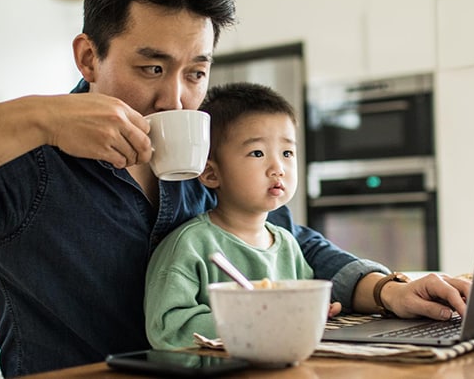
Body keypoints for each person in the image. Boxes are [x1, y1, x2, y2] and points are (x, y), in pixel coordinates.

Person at [0, 0, 471, 376]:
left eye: (196, 72)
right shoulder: (25, 164)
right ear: (88, 57)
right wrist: (37, 116)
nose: (174, 97)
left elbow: (287, 241)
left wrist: (385, 289)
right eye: (151, 67)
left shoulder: (207, 154)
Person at [145, 82, 342, 349]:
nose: (278, 168)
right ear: (212, 173)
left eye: (287, 153)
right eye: (257, 153)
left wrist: (313, 312)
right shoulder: (190, 245)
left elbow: (293, 313)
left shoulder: (288, 245)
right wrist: (255, 320)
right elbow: (168, 330)